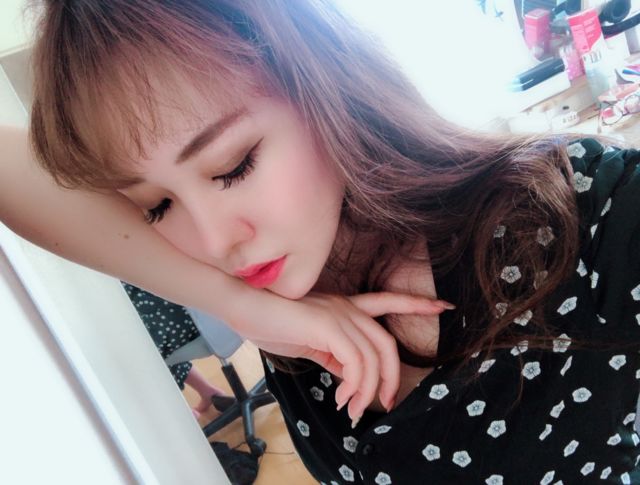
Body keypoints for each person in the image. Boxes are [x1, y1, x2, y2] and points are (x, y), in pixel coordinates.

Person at [3, 0, 640, 483]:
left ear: (325, 84)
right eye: (157, 206)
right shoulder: (288, 303)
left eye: (234, 166)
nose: (215, 243)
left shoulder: (590, 213)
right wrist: (237, 305)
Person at [121, 282, 231, 419]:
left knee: (138, 352)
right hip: (209, 313)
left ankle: (178, 414)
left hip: (186, 315)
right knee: (149, 347)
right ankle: (206, 391)